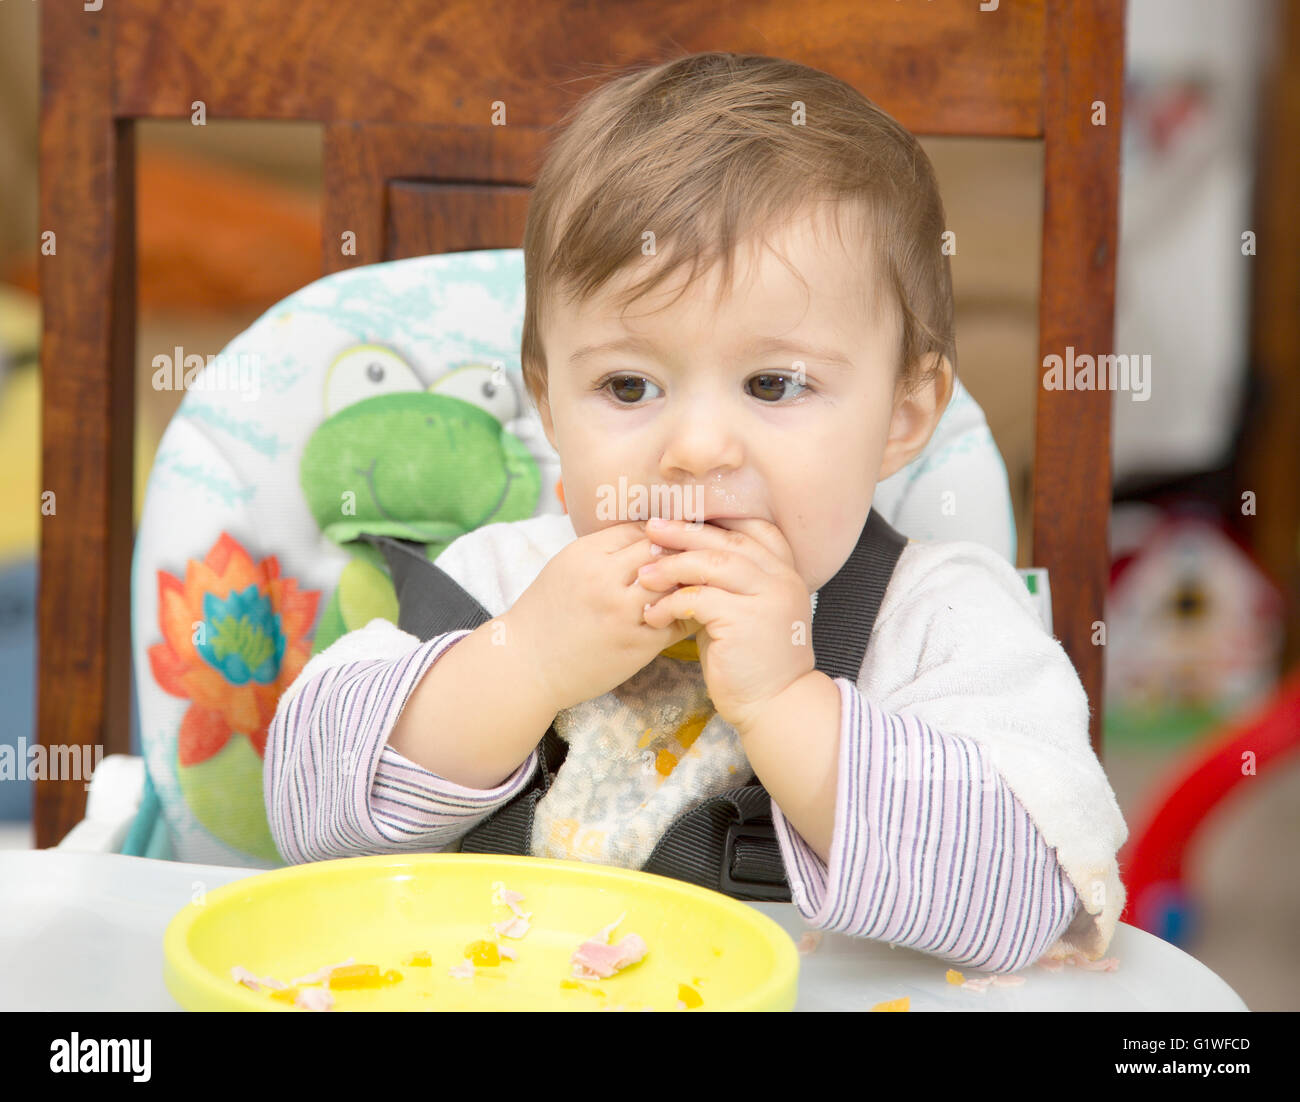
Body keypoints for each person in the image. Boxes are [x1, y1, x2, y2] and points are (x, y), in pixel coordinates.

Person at [265, 52, 1127, 972]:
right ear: (551, 406)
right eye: (629, 384)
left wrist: (789, 706)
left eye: (773, 383)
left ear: (903, 418)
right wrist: (525, 665)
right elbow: (304, 808)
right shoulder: (505, 584)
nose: (698, 447)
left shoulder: (943, 623)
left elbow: (1035, 892)